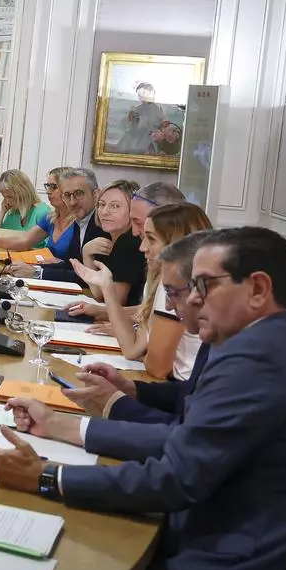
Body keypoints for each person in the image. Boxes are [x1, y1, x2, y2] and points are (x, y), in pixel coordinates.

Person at [0, 227, 286, 570]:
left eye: (204, 286)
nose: (191, 300)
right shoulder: (284, 339)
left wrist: (47, 477)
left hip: (239, 563)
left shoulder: (257, 359)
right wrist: (63, 426)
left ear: (258, 289)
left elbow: (175, 477)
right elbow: (189, 438)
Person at [63, 232, 212, 425]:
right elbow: (188, 394)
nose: (141, 246)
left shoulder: (240, 353)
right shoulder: (215, 339)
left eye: (150, 237)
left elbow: (189, 431)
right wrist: (128, 387)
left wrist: (114, 406)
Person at [72, 203, 212, 380]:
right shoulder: (161, 281)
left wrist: (146, 354)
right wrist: (107, 287)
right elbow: (132, 349)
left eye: (151, 239)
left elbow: (156, 368)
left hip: (179, 387)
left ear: (176, 244)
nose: (142, 247)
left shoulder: (174, 286)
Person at [10, 167, 109, 280]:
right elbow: (71, 264)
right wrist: (32, 268)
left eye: (78, 193)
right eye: (67, 195)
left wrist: (38, 273)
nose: (72, 202)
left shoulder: (103, 225)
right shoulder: (80, 219)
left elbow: (88, 277)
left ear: (96, 194)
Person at [76, 179, 147, 306]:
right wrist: (86, 253)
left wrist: (87, 256)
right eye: (102, 204)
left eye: (115, 206)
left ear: (133, 211)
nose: (104, 212)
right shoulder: (107, 237)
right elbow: (99, 294)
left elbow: (115, 301)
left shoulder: (129, 242)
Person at [0, 166, 76, 257]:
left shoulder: (78, 222)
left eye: (53, 187)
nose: (48, 191)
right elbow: (25, 241)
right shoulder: (50, 218)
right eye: (48, 186)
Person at [0, 169, 50, 246]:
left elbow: (49, 248)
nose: (7, 201)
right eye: (4, 197)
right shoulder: (12, 213)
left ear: (23, 192)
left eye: (10, 197)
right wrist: (2, 212)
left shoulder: (42, 212)